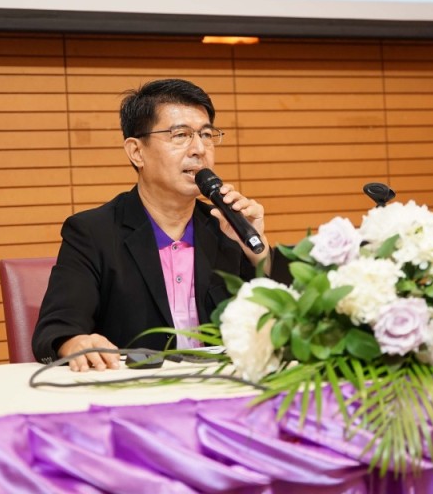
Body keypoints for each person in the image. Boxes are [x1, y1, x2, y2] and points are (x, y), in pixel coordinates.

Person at [32, 78, 271, 371]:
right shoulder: (93, 233)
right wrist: (75, 343)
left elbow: (288, 325)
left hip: (224, 385)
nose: (199, 149)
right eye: (181, 135)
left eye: (206, 135)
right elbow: (54, 332)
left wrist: (257, 250)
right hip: (136, 388)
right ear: (136, 151)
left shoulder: (226, 226)